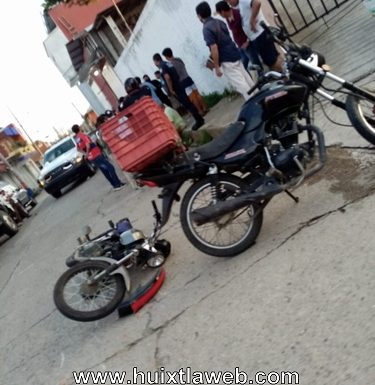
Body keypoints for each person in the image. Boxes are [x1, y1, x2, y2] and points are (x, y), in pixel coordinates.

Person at [196, 2, 255, 100]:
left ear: (199, 15)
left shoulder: (206, 28)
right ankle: (261, 99)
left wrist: (216, 67)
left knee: (242, 85)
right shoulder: (220, 22)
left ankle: (256, 106)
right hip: (235, 54)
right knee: (247, 80)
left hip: (227, 61)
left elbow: (214, 48)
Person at [226, 0, 283, 72]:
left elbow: (257, 3)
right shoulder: (238, 5)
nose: (229, 3)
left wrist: (252, 20)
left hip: (260, 34)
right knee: (272, 59)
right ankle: (286, 74)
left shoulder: (243, 1)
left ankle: (287, 76)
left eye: (228, 1)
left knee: (272, 61)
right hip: (256, 36)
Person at [153, 53, 205, 131]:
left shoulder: (162, 67)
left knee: (187, 104)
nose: (154, 64)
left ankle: (199, 120)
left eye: (154, 62)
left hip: (176, 89)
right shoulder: (168, 63)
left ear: (156, 61)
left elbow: (167, 78)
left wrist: (171, 89)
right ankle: (199, 118)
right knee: (188, 103)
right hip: (180, 85)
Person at [71, 125, 125, 191]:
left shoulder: (77, 139)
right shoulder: (82, 135)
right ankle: (117, 184)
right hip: (96, 154)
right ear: (78, 128)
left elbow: (78, 149)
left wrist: (86, 154)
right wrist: (87, 153)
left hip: (91, 157)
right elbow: (88, 145)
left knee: (104, 170)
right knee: (110, 167)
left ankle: (114, 184)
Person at [215, 1, 262, 71]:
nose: (221, 16)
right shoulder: (227, 18)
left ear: (223, 12)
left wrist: (247, 40)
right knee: (243, 66)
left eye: (220, 14)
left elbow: (246, 26)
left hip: (247, 44)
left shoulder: (237, 13)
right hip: (240, 45)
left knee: (256, 64)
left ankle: (263, 77)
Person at [161, 48, 208, 116]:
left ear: (166, 56)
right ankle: (205, 107)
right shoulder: (179, 59)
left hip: (182, 81)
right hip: (188, 77)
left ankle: (200, 111)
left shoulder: (170, 65)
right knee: (197, 93)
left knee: (192, 97)